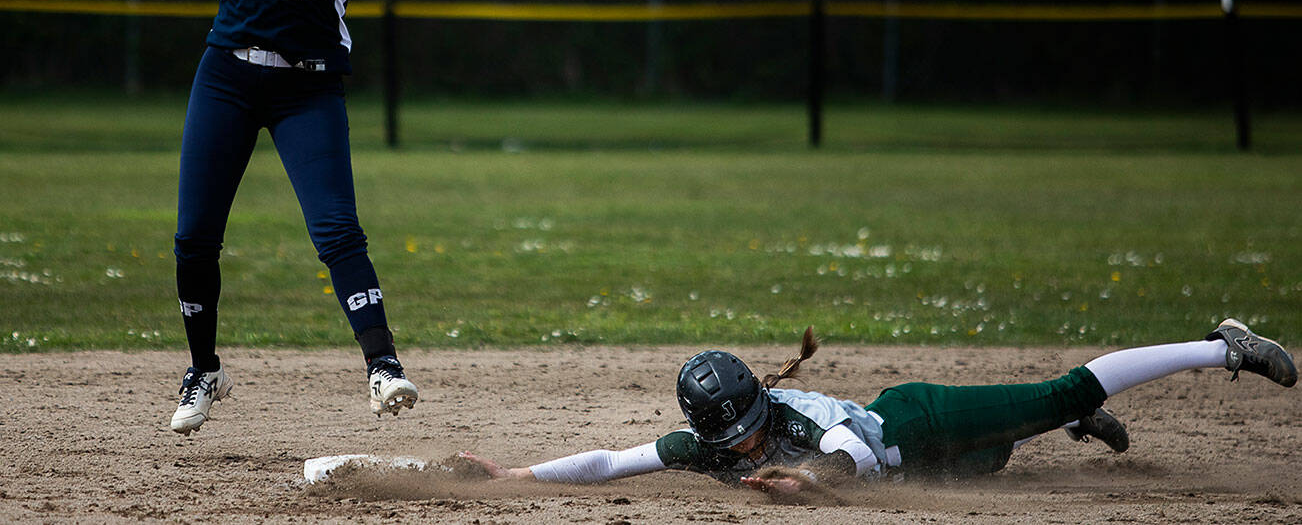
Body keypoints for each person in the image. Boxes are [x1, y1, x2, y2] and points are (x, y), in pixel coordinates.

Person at [32, 0, 530, 435]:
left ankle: (383, 366)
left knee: (336, 230)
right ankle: (203, 369)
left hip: (308, 89)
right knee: (193, 238)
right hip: (228, 77)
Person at [459, 319, 1296, 497]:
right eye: (737, 442)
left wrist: (803, 481)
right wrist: (512, 474)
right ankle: (1068, 428)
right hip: (928, 465)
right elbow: (613, 462)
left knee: (1055, 394)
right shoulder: (706, 446)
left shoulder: (790, 423)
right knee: (996, 462)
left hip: (911, 422)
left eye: (755, 431)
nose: (750, 449)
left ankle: (1222, 346)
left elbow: (851, 456)